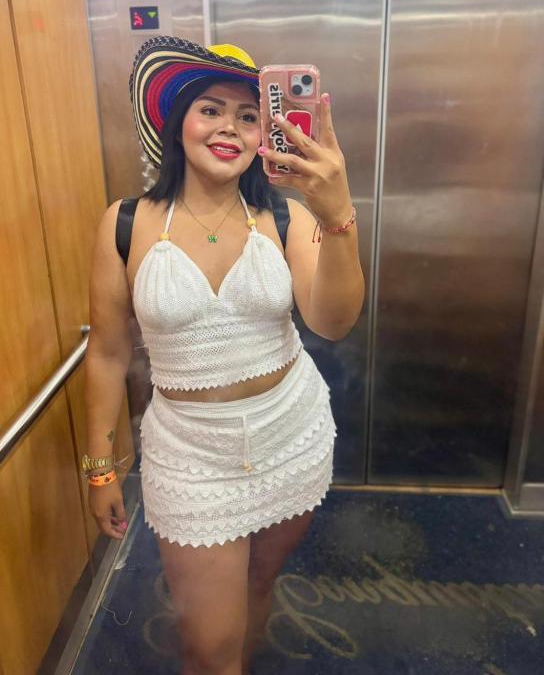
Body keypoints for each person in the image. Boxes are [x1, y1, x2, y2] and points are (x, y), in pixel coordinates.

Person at [83, 36, 364, 675]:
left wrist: (338, 215)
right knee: (207, 649)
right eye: (210, 109)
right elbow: (106, 353)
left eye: (247, 116)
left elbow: (333, 322)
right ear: (177, 121)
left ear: (267, 133)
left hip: (289, 434)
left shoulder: (287, 218)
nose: (228, 128)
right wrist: (101, 468)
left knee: (260, 584)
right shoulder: (125, 223)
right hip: (191, 456)